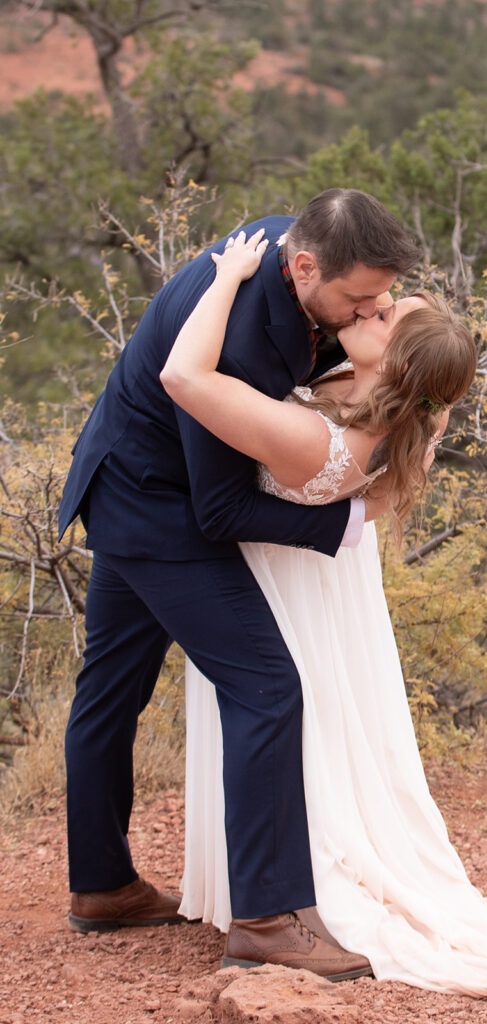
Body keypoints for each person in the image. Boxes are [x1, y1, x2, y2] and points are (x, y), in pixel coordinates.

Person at [163, 232, 487, 1000]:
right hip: (332, 586)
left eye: (383, 315)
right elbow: (381, 491)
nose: (371, 307)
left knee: (286, 714)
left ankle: (288, 888)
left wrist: (231, 275)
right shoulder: (408, 413)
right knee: (325, 721)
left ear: (392, 361)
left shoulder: (319, 434)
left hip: (287, 582)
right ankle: (263, 881)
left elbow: (184, 375)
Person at [58, 188, 421, 981]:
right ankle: (264, 920)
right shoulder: (240, 342)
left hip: (123, 483)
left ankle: (103, 887)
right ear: (303, 265)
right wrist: (342, 526)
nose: (371, 309)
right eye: (359, 298)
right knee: (266, 689)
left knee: (111, 692)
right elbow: (221, 508)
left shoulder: (284, 251)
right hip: (158, 510)